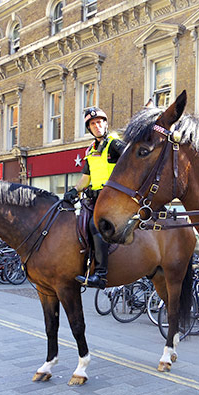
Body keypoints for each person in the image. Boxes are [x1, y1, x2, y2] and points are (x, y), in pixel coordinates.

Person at [64, 107, 125, 289]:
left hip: (112, 199)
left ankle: (101, 275)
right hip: (94, 199)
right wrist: (74, 191)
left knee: (96, 225)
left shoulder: (115, 143)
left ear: (105, 124)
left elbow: (131, 163)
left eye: (99, 122)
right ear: (89, 128)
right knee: (77, 224)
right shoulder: (90, 149)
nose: (97, 126)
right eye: (93, 124)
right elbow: (86, 178)